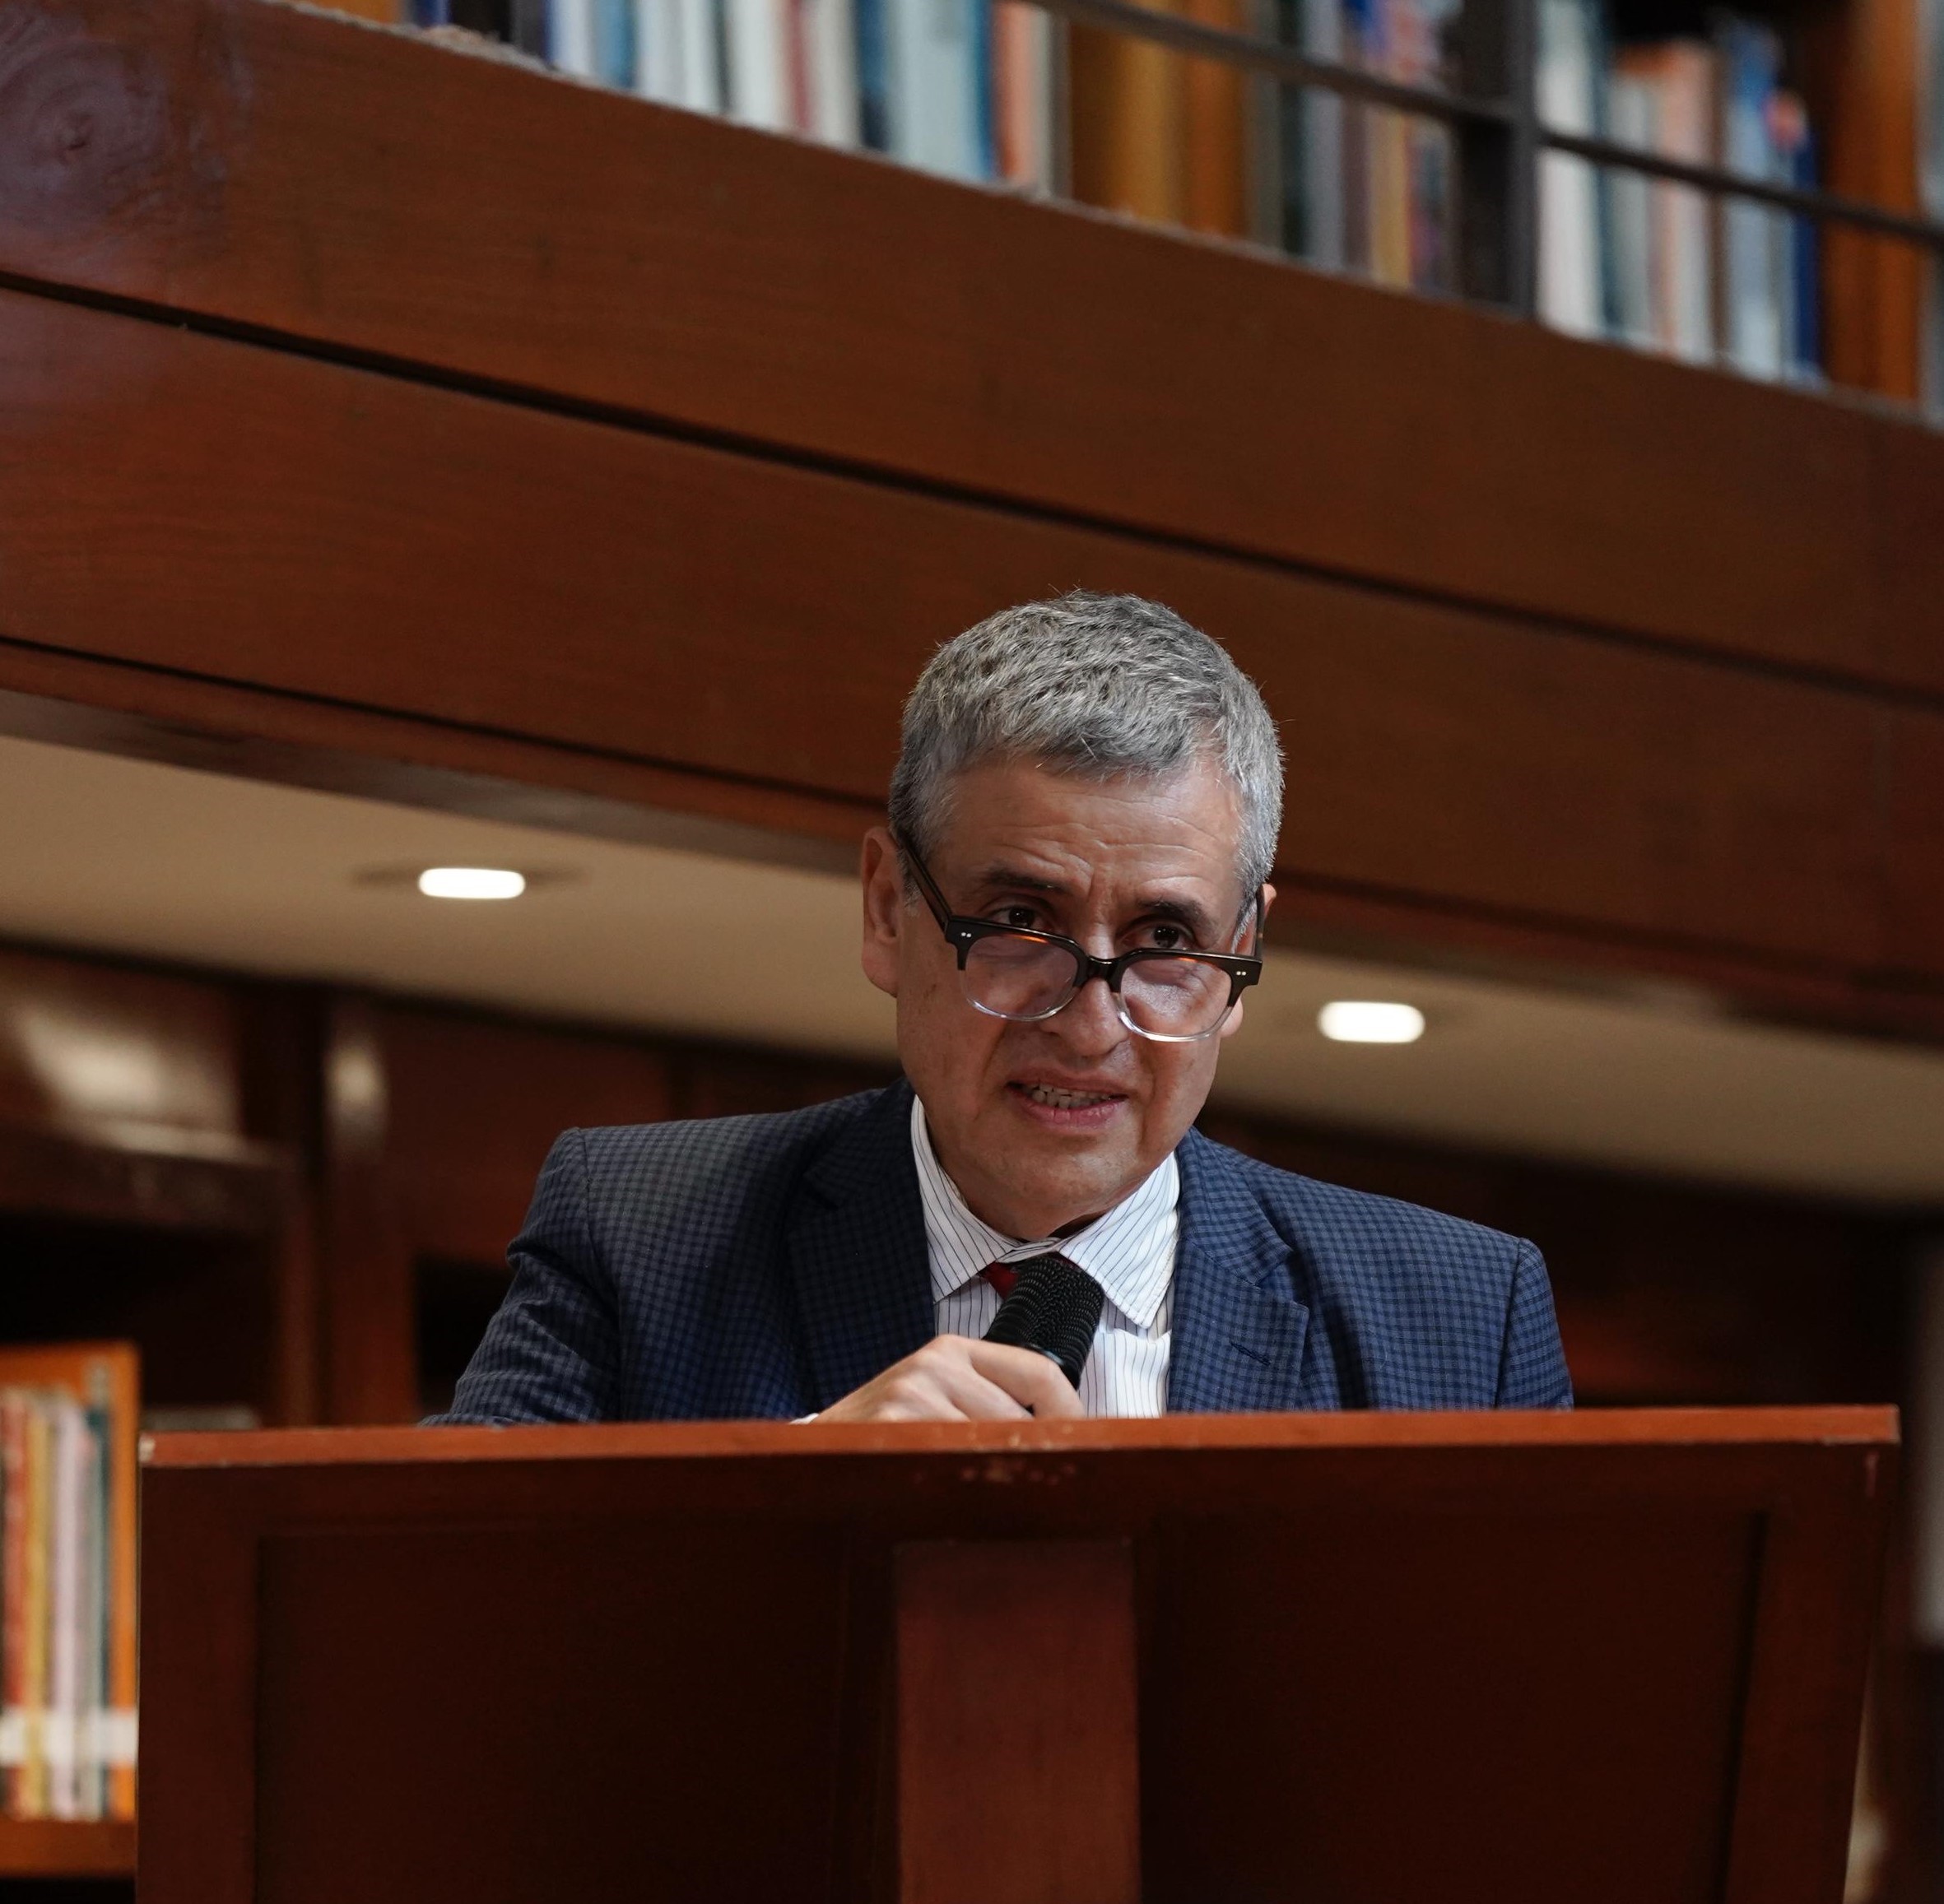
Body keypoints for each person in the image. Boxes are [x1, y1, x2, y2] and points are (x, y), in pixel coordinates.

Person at [437, 592, 1570, 1424]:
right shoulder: (638, 1236)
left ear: (1244, 950)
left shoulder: (1461, 1319)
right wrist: (793, 1487)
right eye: (1022, 921)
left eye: (1164, 942)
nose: (1090, 1026)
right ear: (888, 911)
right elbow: (446, 1613)